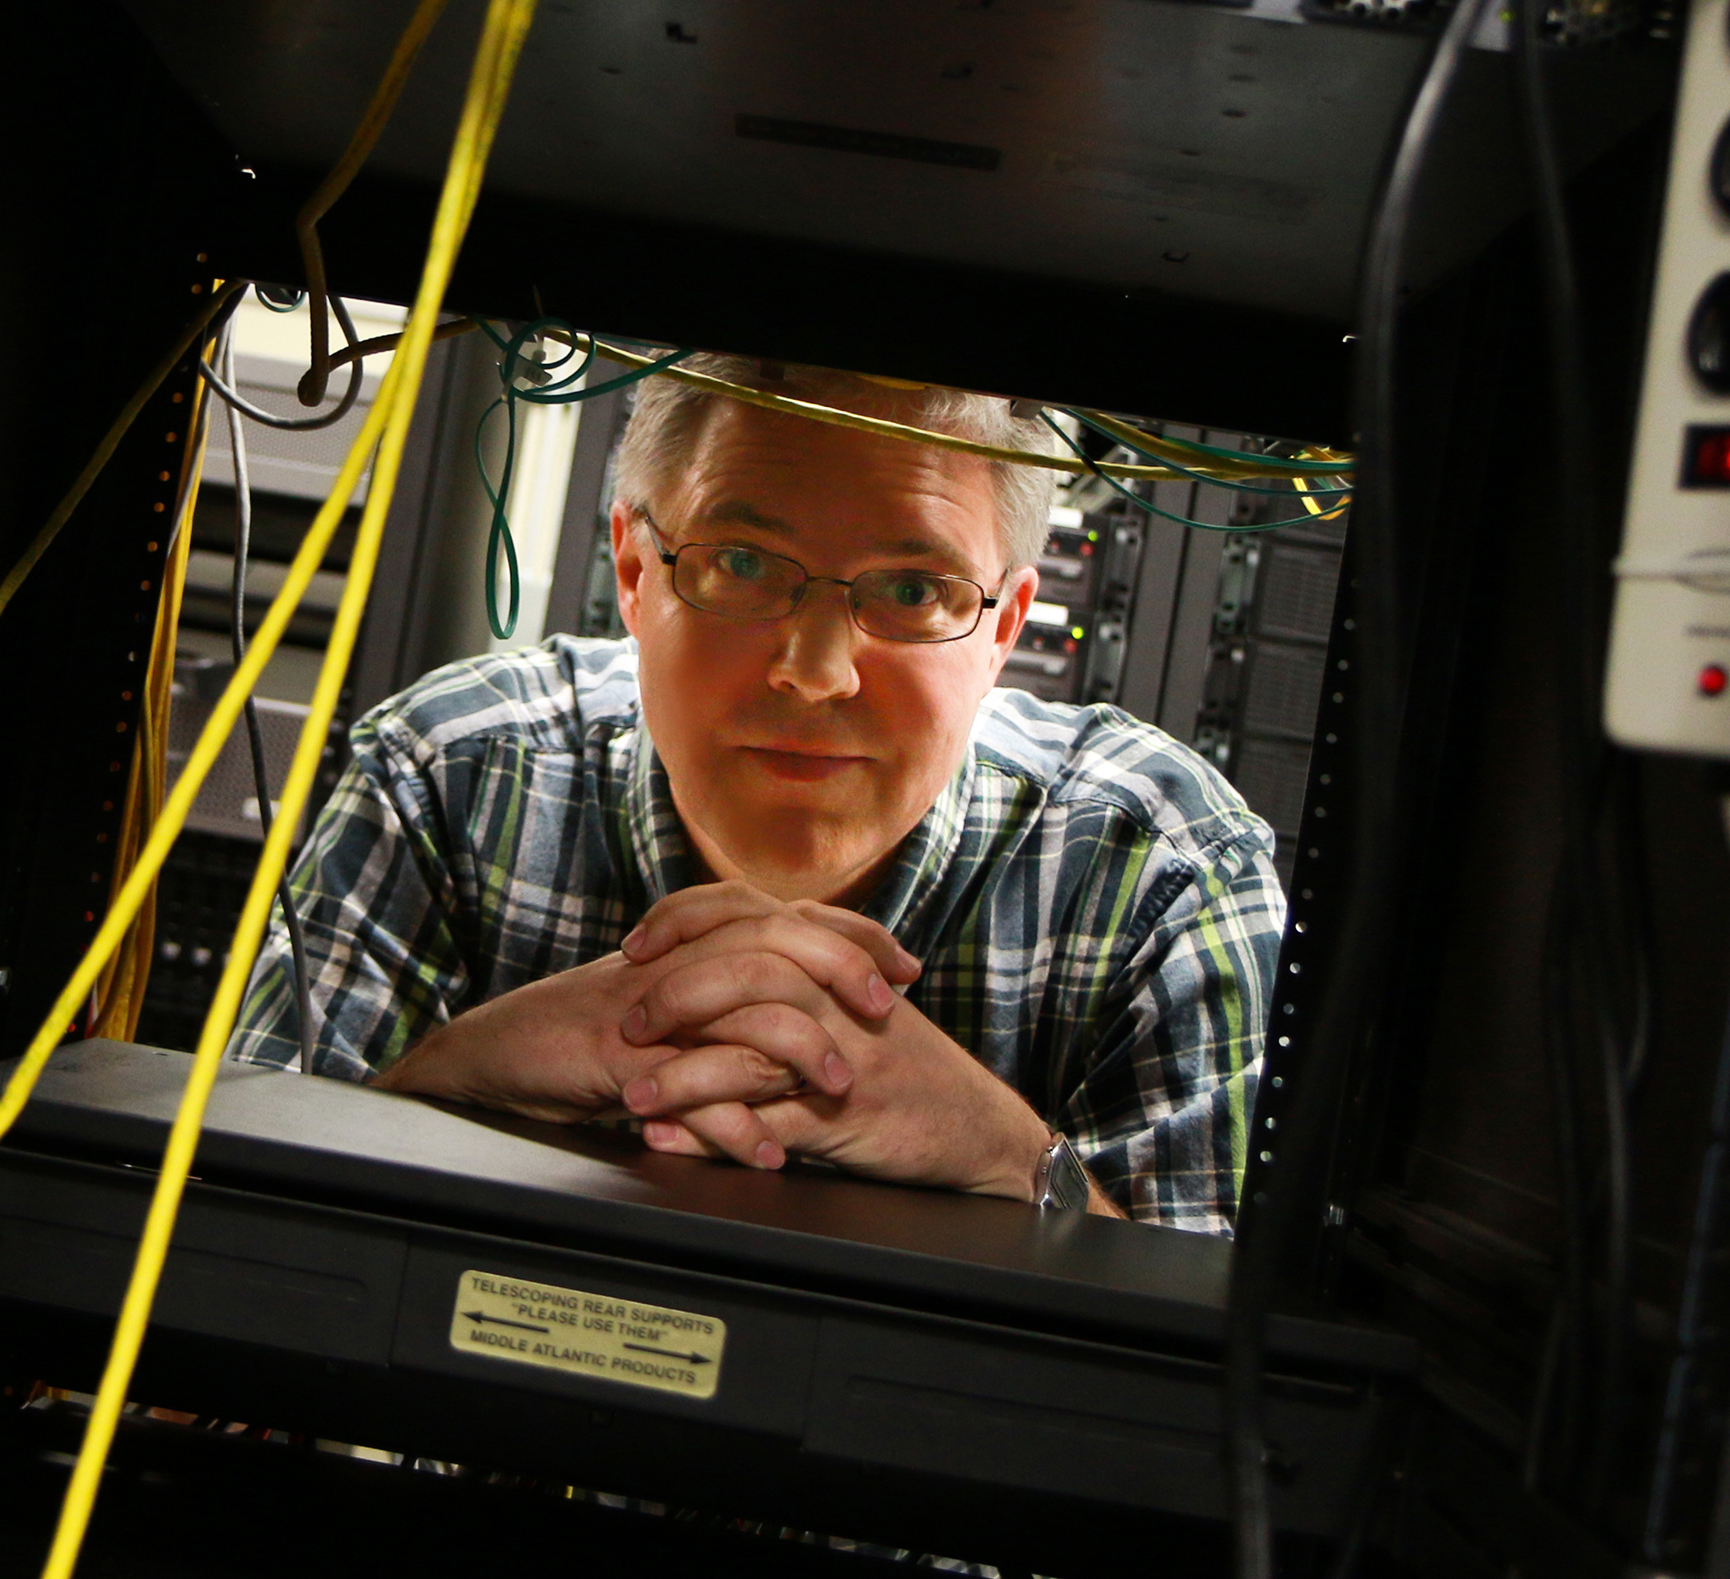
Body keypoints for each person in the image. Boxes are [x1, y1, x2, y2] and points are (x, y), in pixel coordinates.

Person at [227, 354, 1283, 1233]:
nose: (816, 669)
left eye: (914, 590)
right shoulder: (451, 776)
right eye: (740, 561)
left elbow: (1216, 1444)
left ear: (1004, 629)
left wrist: (1006, 1155)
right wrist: (458, 1072)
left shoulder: (1159, 872)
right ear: (635, 573)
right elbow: (207, 1295)